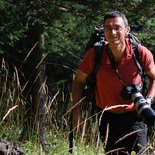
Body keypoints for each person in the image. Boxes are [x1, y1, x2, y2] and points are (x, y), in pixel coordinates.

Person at [71, 11, 155, 154]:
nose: (113, 32)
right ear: (104, 31)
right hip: (107, 118)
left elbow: (154, 78)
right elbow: (78, 82)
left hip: (135, 115)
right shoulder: (94, 55)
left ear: (127, 30)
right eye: (108, 28)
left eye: (117, 27)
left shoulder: (140, 53)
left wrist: (148, 99)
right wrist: (76, 113)